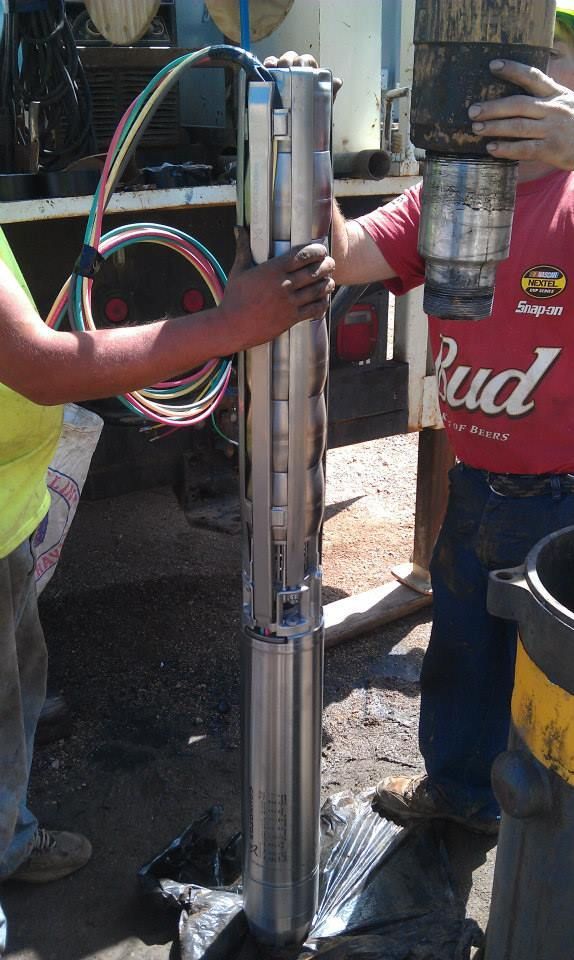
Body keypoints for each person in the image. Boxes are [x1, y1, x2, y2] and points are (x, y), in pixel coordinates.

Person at [266, 3, 574, 835]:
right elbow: (346, 252)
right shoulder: (443, 192)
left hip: (563, 501)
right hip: (477, 486)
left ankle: (547, 842)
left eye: (547, 71)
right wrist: (307, 119)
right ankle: (461, 795)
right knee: (464, 649)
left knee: (554, 677)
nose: (512, 96)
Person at [0, 224, 335, 948]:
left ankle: (7, 837)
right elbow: (37, 366)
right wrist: (231, 324)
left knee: (12, 694)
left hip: (7, 520)